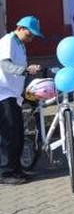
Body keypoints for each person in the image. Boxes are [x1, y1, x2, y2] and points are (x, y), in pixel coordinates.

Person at [0, 16, 42, 185]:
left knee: (17, 134)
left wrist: (28, 95)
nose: (31, 39)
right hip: (4, 95)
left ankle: (16, 170)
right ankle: (6, 173)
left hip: (14, 95)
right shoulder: (8, 40)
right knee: (10, 135)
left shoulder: (20, 44)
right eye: (30, 35)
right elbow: (5, 66)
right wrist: (25, 70)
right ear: (20, 28)